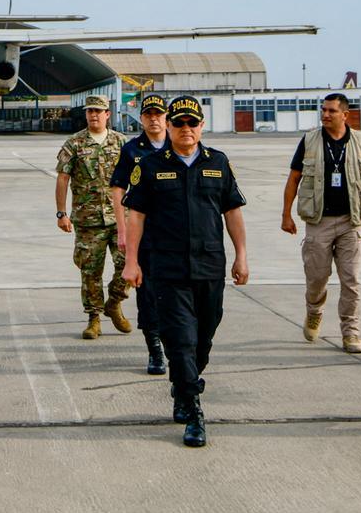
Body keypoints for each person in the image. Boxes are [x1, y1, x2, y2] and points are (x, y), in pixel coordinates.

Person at [121, 95, 248, 448]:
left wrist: (242, 256)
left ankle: (184, 381)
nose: (186, 129)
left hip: (209, 265)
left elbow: (233, 212)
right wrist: (132, 262)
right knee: (180, 339)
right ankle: (193, 410)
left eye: (193, 123)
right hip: (167, 267)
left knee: (204, 339)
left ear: (201, 126)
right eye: (179, 123)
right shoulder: (149, 165)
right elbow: (136, 216)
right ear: (171, 126)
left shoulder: (218, 163)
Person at [280, 93, 361, 353]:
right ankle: (314, 310)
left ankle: (351, 332)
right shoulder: (310, 140)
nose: (325, 115)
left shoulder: (360, 141)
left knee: (352, 280)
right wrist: (286, 214)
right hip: (319, 221)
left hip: (351, 221)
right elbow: (294, 178)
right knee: (317, 278)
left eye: (331, 111)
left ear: (345, 115)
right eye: (323, 110)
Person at [55, 94, 129, 339]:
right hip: (88, 220)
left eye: (99, 111)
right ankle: (94, 318)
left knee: (128, 263)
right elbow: (63, 178)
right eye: (90, 111)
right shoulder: (74, 143)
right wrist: (61, 213)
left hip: (120, 218)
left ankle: (115, 302)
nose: (94, 115)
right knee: (90, 271)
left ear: (108, 114)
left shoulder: (121, 142)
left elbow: (137, 178)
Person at [109, 94, 170, 375]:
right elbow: (118, 189)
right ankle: (155, 350)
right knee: (147, 293)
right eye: (149, 114)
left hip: (175, 231)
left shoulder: (181, 144)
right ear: (142, 118)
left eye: (159, 114)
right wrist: (122, 229)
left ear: (165, 116)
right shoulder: (133, 150)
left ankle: (175, 344)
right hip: (143, 232)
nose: (154, 118)